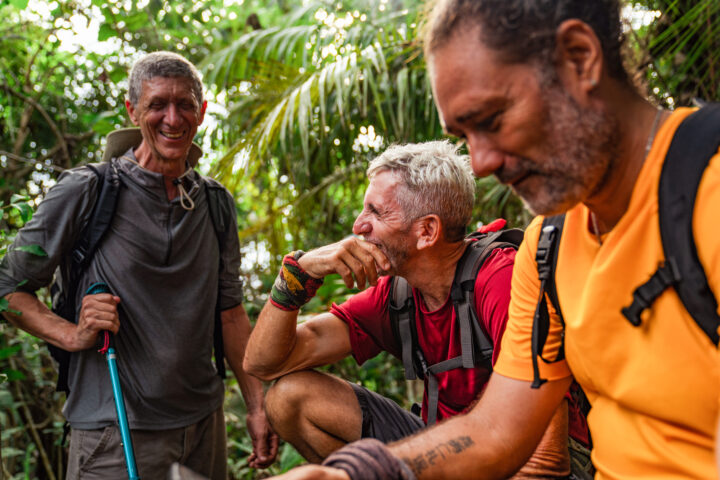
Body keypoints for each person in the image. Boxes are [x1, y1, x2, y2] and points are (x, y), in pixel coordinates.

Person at [264, 0, 720, 478]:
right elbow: (498, 431)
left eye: (493, 119)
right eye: (463, 133)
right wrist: (354, 473)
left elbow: (546, 459)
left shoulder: (705, 184)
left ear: (580, 58)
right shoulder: (548, 246)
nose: (480, 164)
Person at [0, 51, 277, 479]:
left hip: (204, 429)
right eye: (157, 105)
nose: (173, 118)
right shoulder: (86, 191)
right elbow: (8, 289)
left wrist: (257, 406)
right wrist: (73, 334)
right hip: (113, 433)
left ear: (201, 112)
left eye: (185, 104)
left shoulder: (216, 203)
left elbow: (231, 314)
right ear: (132, 111)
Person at [243, 140, 588, 478]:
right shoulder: (397, 295)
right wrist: (298, 274)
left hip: (537, 459)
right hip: (447, 448)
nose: (358, 226)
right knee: (288, 398)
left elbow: (546, 461)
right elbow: (263, 364)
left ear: (427, 231)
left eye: (376, 212)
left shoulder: (501, 279)